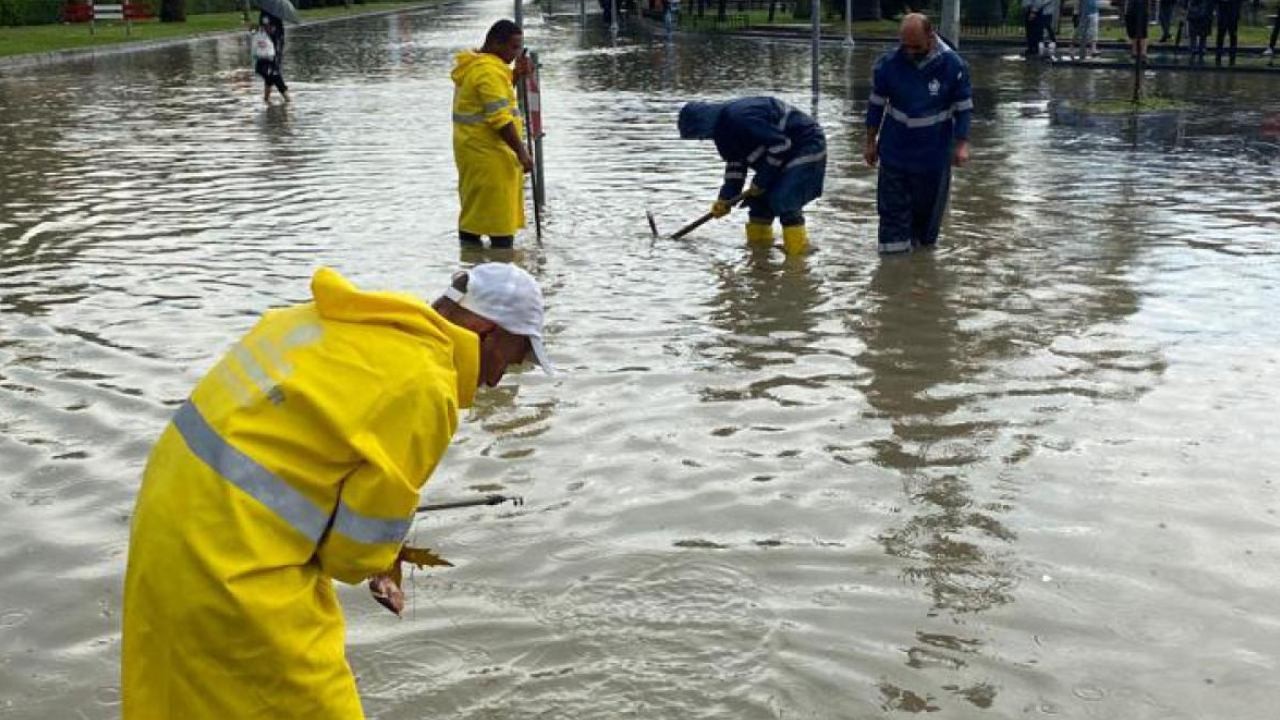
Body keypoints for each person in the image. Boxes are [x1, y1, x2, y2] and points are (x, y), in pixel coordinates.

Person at [121, 263, 552, 719]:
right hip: (232, 560)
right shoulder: (426, 383)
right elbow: (351, 557)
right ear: (486, 330)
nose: (498, 379)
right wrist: (382, 554)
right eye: (514, 355)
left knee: (186, 698)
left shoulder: (332, 321)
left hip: (163, 522)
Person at [865, 13, 972, 255]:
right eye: (906, 45)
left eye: (916, 46)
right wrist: (870, 142)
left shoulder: (953, 66)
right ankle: (892, 277)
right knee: (891, 220)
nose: (910, 52)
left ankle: (920, 275)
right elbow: (875, 105)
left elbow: (964, 109)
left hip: (933, 156)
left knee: (925, 229)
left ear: (931, 37)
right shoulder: (889, 64)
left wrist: (962, 144)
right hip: (895, 153)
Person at [677, 96, 827, 255]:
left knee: (785, 197)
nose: (702, 139)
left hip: (805, 144)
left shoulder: (741, 118)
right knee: (758, 203)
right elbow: (735, 164)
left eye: (701, 135)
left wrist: (761, 180)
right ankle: (760, 256)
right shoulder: (722, 132)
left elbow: (780, 145)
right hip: (778, 153)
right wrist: (726, 198)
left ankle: (798, 254)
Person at [451, 20, 534, 249]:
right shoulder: (488, 72)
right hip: (490, 156)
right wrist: (522, 152)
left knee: (474, 217)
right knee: (500, 224)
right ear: (496, 43)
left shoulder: (478, 66)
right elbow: (500, 119)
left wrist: (516, 74)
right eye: (513, 47)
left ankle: (472, 265)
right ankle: (501, 271)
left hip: (473, 152)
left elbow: (493, 99)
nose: (516, 53)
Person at [254, 11, 288, 104]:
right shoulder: (265, 12)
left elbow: (274, 31)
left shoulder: (273, 13)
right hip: (266, 47)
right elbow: (263, 29)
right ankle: (266, 99)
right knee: (267, 72)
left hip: (273, 48)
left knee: (273, 72)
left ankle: (287, 99)